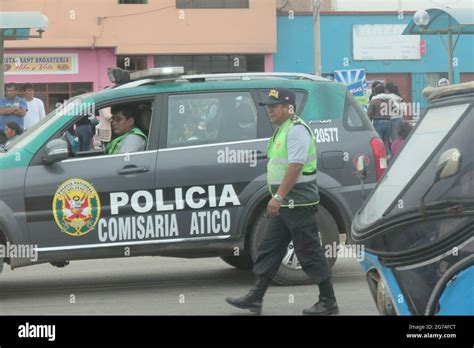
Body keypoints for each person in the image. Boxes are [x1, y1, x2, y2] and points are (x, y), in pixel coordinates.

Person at [225, 88, 338, 316]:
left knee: (309, 253)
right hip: (287, 204)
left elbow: (295, 166)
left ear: (289, 108)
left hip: (298, 203)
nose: (269, 110)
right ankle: (256, 297)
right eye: (268, 106)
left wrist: (278, 197)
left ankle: (328, 302)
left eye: (274, 106)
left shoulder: (296, 130)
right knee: (269, 249)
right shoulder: (282, 130)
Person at [367, 84, 391, 156]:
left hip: (378, 122)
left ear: (376, 92)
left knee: (379, 143)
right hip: (388, 122)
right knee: (386, 142)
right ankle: (389, 159)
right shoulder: (388, 100)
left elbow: (369, 113)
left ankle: (381, 158)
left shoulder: (374, 100)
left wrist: (369, 124)